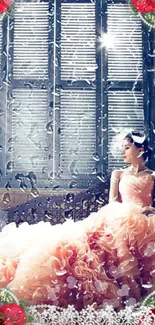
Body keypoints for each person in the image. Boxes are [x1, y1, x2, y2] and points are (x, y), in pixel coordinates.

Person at [0, 130, 154, 311]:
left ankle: (143, 299)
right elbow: (113, 200)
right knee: (113, 238)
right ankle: (128, 297)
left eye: (127, 148)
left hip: (145, 218)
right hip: (121, 214)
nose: (123, 152)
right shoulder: (118, 173)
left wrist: (149, 209)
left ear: (140, 150)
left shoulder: (152, 175)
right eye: (122, 148)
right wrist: (128, 211)